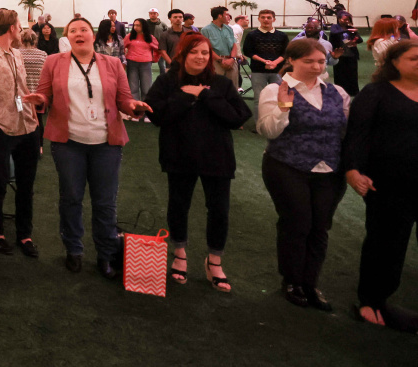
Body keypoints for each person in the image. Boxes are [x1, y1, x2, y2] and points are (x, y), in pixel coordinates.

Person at [24, 18, 151, 278]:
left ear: (92, 36)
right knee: (71, 198)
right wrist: (40, 99)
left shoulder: (112, 63)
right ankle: (74, 250)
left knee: (105, 202)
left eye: (83, 30)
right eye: (73, 31)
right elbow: (45, 93)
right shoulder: (53, 62)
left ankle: (106, 254)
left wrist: (132, 107)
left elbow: (124, 98)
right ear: (67, 37)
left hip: (106, 144)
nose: (79, 34)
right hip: (69, 144)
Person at [145, 35, 252, 291]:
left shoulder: (221, 84)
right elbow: (155, 114)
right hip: (179, 155)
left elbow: (239, 117)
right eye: (194, 52)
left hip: (217, 157)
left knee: (219, 210)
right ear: (182, 54)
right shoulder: (167, 81)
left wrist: (205, 95)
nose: (200, 57)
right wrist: (185, 98)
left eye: (205, 52)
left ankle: (214, 261)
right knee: (178, 206)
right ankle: (179, 254)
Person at [257, 38, 351, 311]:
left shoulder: (338, 92)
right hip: (286, 166)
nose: (317, 67)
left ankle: (311, 283)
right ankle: (292, 281)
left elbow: (346, 131)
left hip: (329, 169)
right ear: (291, 61)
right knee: (296, 223)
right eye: (308, 61)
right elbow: (267, 131)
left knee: (320, 227)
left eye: (321, 61)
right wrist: (283, 108)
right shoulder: (275, 89)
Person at [344, 39, 418, 330]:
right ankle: (372, 301)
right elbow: (357, 134)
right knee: (386, 244)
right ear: (394, 63)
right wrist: (353, 170)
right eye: (414, 58)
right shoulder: (376, 93)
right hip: (388, 184)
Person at [0, 9, 41, 258]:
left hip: (27, 127)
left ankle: (25, 234)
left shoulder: (17, 54)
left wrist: (33, 117)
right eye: (19, 25)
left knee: (26, 185)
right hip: (3, 128)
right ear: (12, 28)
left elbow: (21, 90)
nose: (21, 29)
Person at [242, 9, 290, 98]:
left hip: (278, 71)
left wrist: (274, 63)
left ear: (274, 19)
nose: (266, 20)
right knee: (259, 98)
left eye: (269, 18)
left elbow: (286, 52)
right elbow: (248, 51)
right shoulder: (251, 35)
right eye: (263, 17)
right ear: (259, 19)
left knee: (278, 98)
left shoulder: (282, 35)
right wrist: (264, 61)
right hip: (258, 71)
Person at [123, 18, 160, 106]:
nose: (135, 27)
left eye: (138, 25)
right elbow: (122, 47)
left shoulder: (150, 37)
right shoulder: (129, 36)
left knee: (146, 87)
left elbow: (157, 49)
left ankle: (146, 106)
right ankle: (135, 106)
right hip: (131, 63)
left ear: (143, 26)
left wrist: (155, 58)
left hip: (146, 64)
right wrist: (124, 58)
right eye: (134, 25)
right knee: (133, 87)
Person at [203, 7, 241, 83]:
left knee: (233, 86)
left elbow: (234, 44)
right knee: (216, 85)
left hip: (231, 61)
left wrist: (232, 59)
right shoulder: (206, 30)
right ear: (220, 16)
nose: (228, 16)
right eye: (226, 14)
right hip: (216, 62)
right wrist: (221, 60)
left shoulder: (229, 28)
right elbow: (207, 48)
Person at [329, 11, 361, 96]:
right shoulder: (335, 27)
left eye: (348, 19)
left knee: (352, 75)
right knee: (339, 75)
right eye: (344, 19)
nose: (346, 21)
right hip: (339, 55)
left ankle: (353, 92)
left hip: (351, 55)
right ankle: (340, 92)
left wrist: (355, 40)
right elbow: (334, 33)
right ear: (339, 19)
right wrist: (347, 30)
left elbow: (360, 39)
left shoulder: (351, 28)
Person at [18, 29, 47, 93]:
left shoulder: (16, 54)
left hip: (21, 93)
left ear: (21, 40)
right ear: (35, 40)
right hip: (38, 92)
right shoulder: (43, 55)